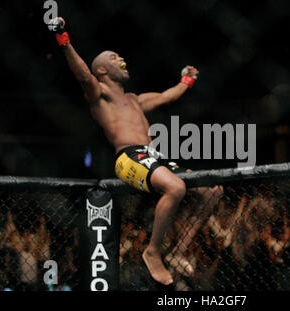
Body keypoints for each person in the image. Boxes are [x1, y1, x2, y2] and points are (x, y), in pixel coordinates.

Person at [48, 17, 222, 285]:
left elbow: (168, 96)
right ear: (103, 71)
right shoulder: (100, 94)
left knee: (212, 191)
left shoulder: (135, 100)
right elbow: (83, 75)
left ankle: (178, 251)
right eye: (113, 57)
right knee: (176, 188)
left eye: (119, 55)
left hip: (154, 157)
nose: (121, 59)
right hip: (128, 157)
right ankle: (152, 252)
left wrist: (187, 80)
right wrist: (63, 38)